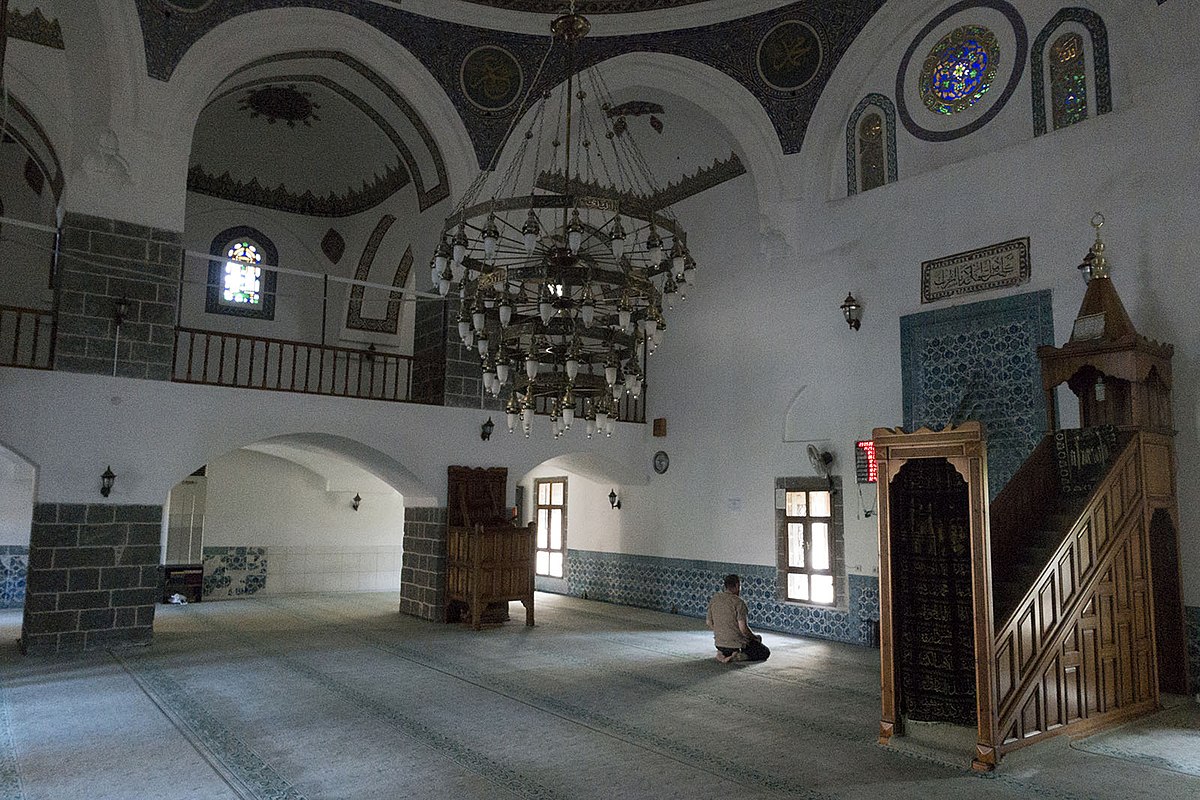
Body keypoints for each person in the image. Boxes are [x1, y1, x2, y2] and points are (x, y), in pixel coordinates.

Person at [705, 574, 770, 663]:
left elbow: (709, 622)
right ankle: (737, 656)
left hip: (719, 643)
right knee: (764, 651)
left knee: (753, 640)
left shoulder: (715, 599)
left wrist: (720, 631)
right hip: (736, 644)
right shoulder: (739, 603)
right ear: (737, 586)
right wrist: (753, 637)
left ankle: (722, 653)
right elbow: (743, 629)